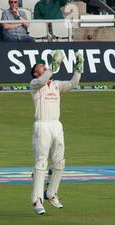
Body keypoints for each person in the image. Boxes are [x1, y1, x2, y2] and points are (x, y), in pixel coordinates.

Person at [29, 50, 83, 215]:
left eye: (46, 67)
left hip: (56, 125)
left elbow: (73, 84)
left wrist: (79, 67)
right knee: (41, 162)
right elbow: (44, 79)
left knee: (59, 162)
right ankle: (36, 199)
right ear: (35, 73)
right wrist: (54, 65)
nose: (45, 69)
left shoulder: (56, 84)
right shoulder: (35, 84)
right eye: (42, 67)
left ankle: (51, 193)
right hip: (42, 126)